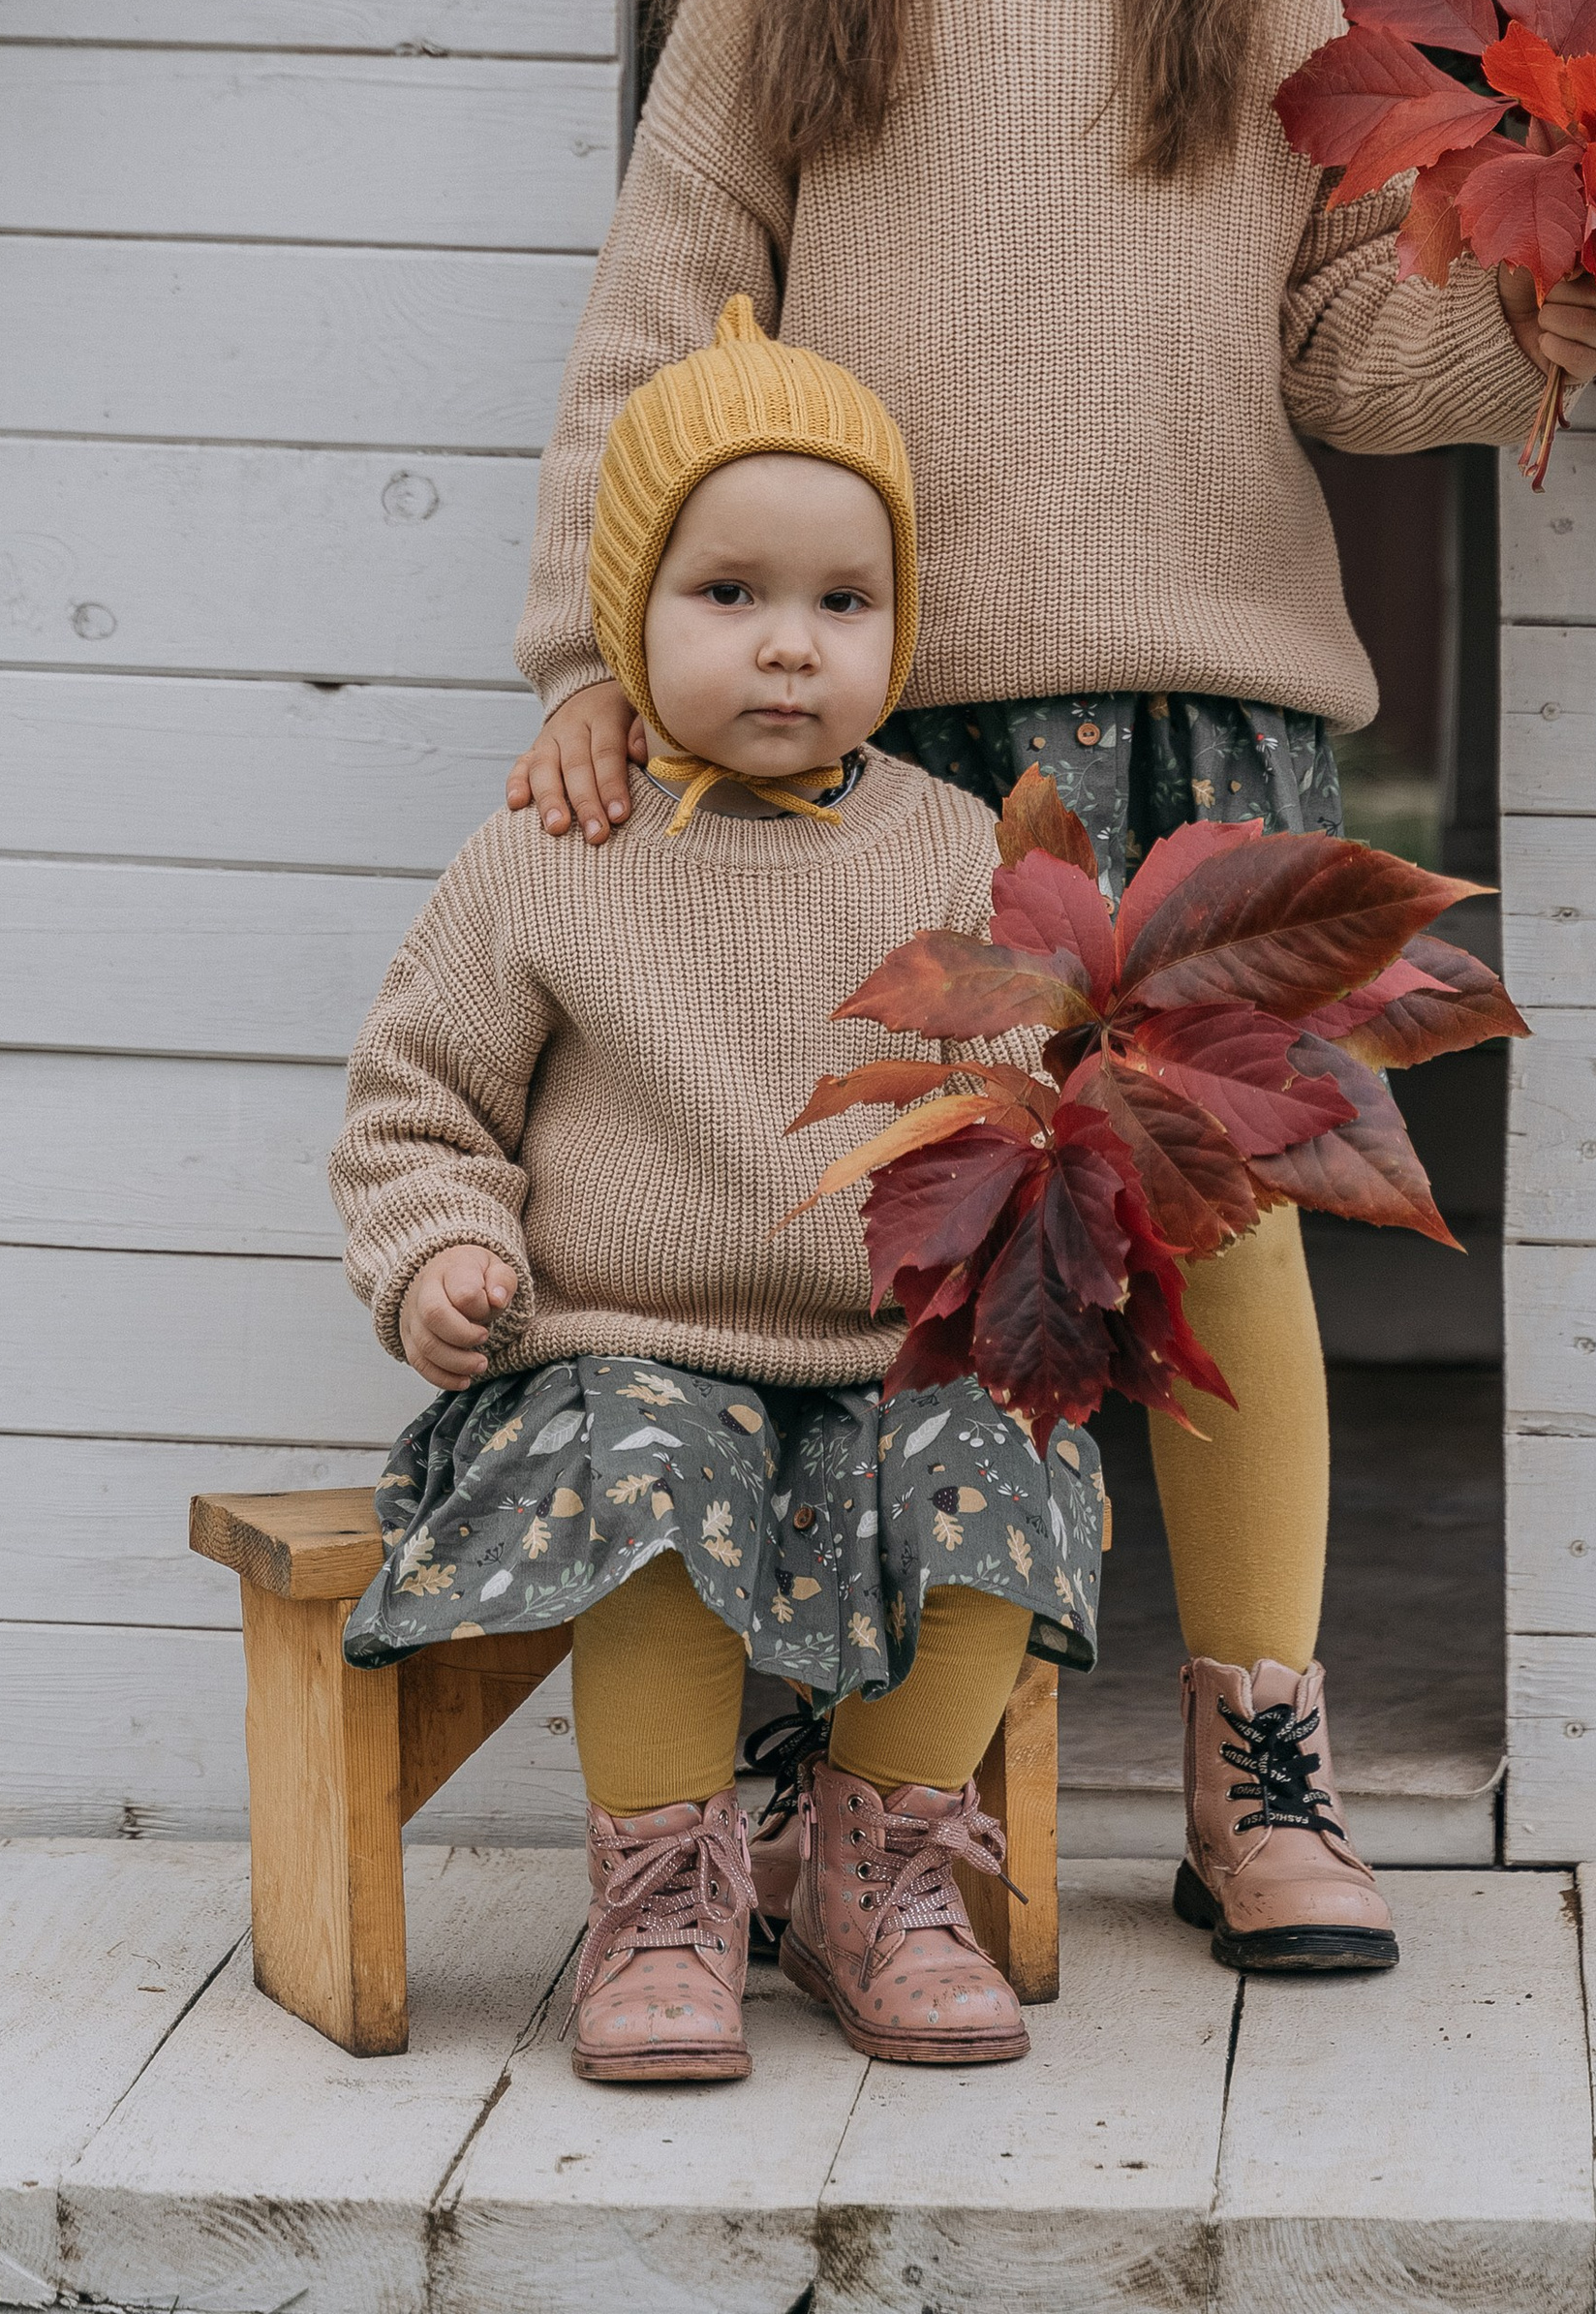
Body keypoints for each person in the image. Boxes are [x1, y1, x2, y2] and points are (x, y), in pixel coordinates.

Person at [506, 0, 1596, 1973]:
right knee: (896, 1268)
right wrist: (587, 650)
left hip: (1209, 724)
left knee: (1226, 1248)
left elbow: (1363, 346)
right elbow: (660, 333)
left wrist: (1549, 312)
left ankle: (1259, 1758)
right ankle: (858, 1795)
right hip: (888, 754)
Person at [333, 299, 1103, 2084]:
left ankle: (880, 1865)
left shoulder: (954, 845)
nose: (789, 648)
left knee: (1010, 1452)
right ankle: (665, 1890)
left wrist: (1033, 1237)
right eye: (730, 594)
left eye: (844, 603)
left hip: (886, 1352)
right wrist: (446, 1246)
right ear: (628, 614)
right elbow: (416, 1097)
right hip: (625, 1352)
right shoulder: (550, 851)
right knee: (658, 1475)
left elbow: (1020, 1094)